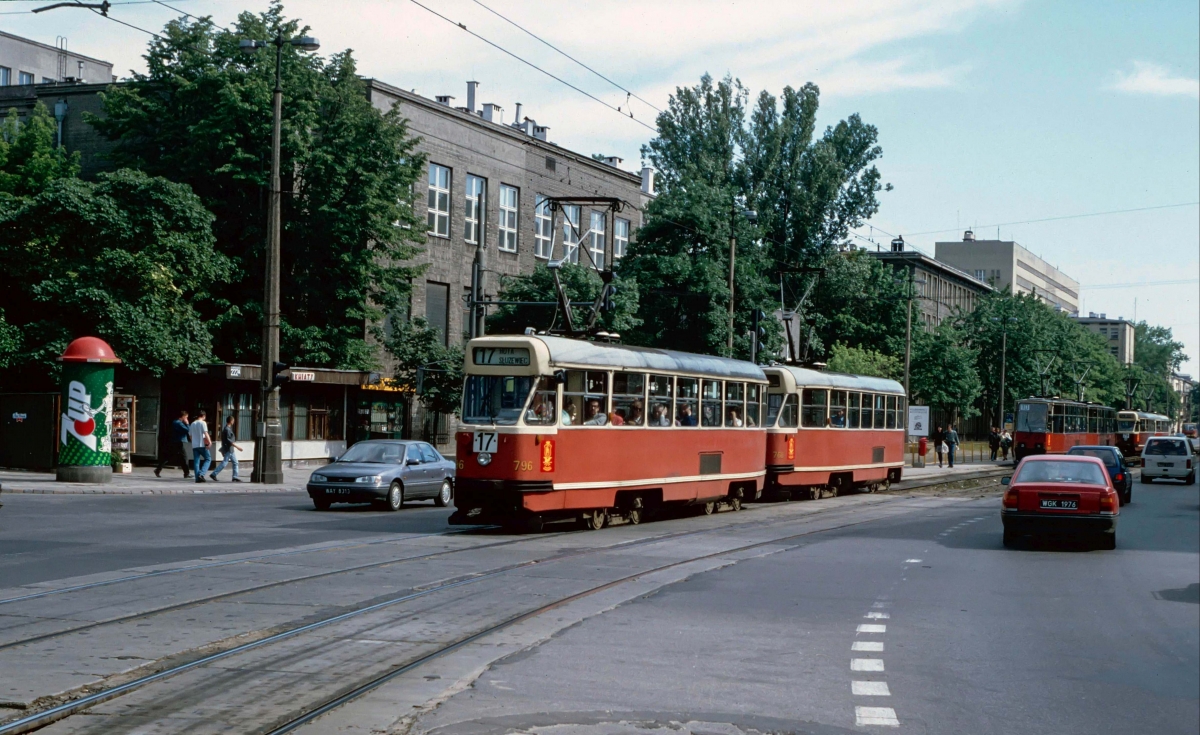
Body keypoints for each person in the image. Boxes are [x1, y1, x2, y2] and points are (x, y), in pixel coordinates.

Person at [156, 409, 192, 478]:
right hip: (178, 442)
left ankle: (158, 469)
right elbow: (187, 430)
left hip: (175, 441)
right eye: (186, 417)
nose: (187, 419)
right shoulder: (178, 423)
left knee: (170, 456)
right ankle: (186, 473)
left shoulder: (176, 422)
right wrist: (187, 423)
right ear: (183, 416)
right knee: (184, 457)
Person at [209, 415, 242, 482]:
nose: (233, 422)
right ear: (231, 421)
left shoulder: (226, 429)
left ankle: (235, 477)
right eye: (233, 421)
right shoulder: (227, 430)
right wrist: (238, 447)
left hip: (230, 449)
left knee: (235, 462)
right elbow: (229, 441)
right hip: (229, 449)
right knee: (225, 462)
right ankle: (214, 473)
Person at [188, 409, 212, 482]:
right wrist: (209, 442)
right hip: (201, 444)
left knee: (196, 461)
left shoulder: (192, 423)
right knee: (208, 459)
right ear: (203, 416)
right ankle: (201, 474)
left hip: (194, 445)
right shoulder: (203, 423)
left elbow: (190, 435)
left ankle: (197, 478)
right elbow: (206, 433)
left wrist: (193, 441)